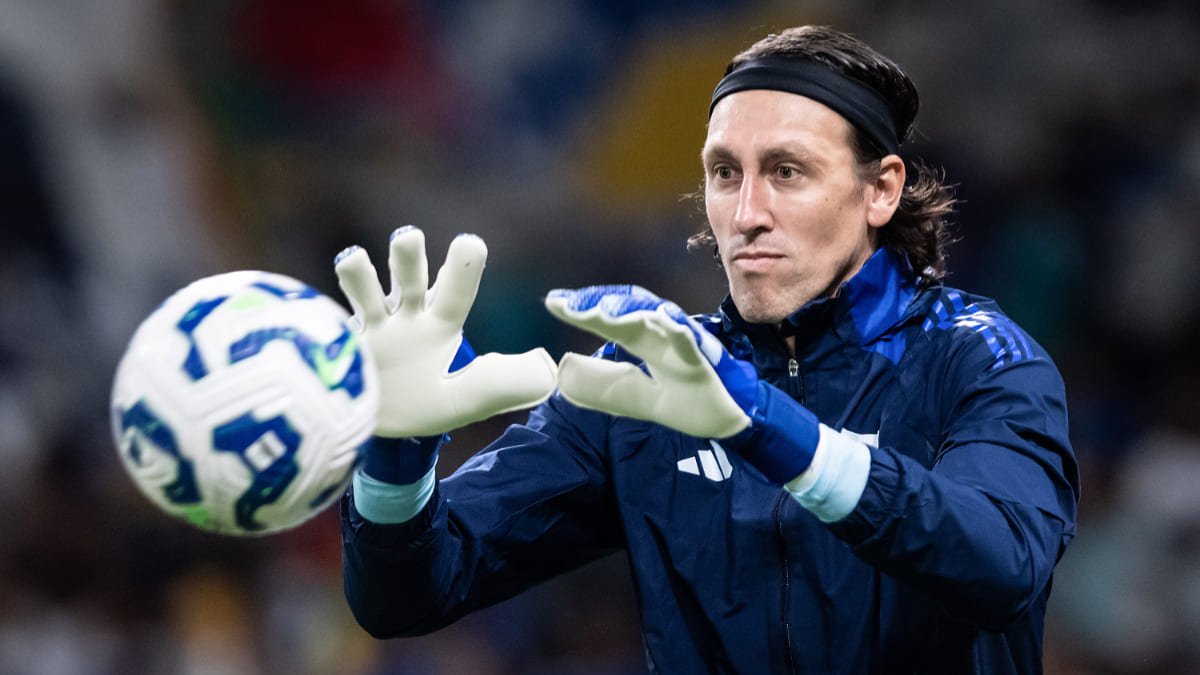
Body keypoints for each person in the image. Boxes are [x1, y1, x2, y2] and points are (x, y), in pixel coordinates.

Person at [332, 25, 1079, 674]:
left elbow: (1004, 561)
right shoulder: (648, 381)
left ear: (880, 189)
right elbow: (406, 595)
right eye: (726, 173)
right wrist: (396, 463)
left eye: (787, 171)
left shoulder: (980, 360)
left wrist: (761, 423)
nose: (747, 213)